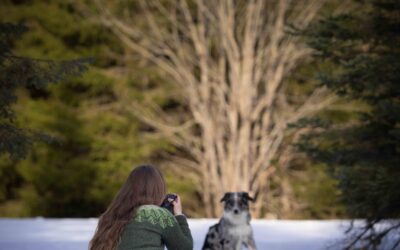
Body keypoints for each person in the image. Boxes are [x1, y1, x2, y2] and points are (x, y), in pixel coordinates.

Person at [89, 165, 193, 250]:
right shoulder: (159, 215)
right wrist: (179, 215)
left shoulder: (112, 215)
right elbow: (185, 247)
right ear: (158, 189)